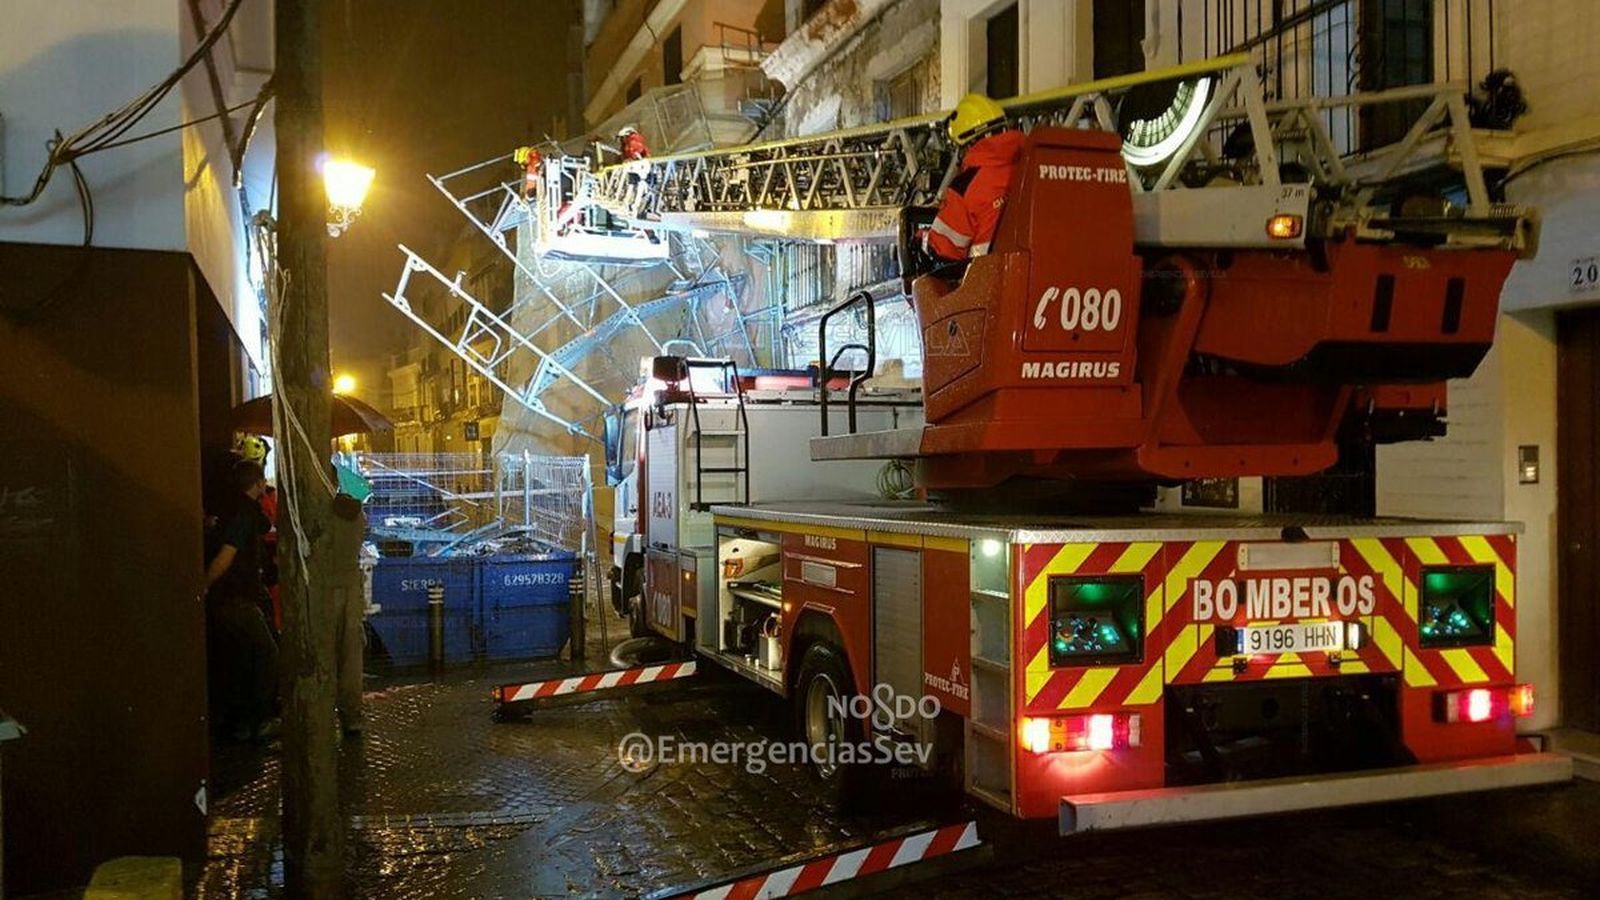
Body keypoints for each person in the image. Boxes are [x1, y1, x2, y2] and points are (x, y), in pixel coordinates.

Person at [205, 459, 279, 742]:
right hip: (237, 596)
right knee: (266, 653)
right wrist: (204, 584)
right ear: (258, 483)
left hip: (230, 597)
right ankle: (259, 721)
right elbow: (228, 554)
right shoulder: (244, 515)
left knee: (241, 657)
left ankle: (240, 723)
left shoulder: (226, 509)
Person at [924, 93, 1026, 262]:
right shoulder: (1035, 165)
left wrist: (922, 239)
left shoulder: (965, 186)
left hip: (986, 274)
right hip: (1041, 273)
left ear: (969, 144)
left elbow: (944, 249)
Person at [328, 490, 368, 734]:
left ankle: (321, 714)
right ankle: (352, 715)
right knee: (351, 655)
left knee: (324, 652)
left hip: (325, 588)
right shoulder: (358, 515)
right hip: (352, 586)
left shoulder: (322, 516)